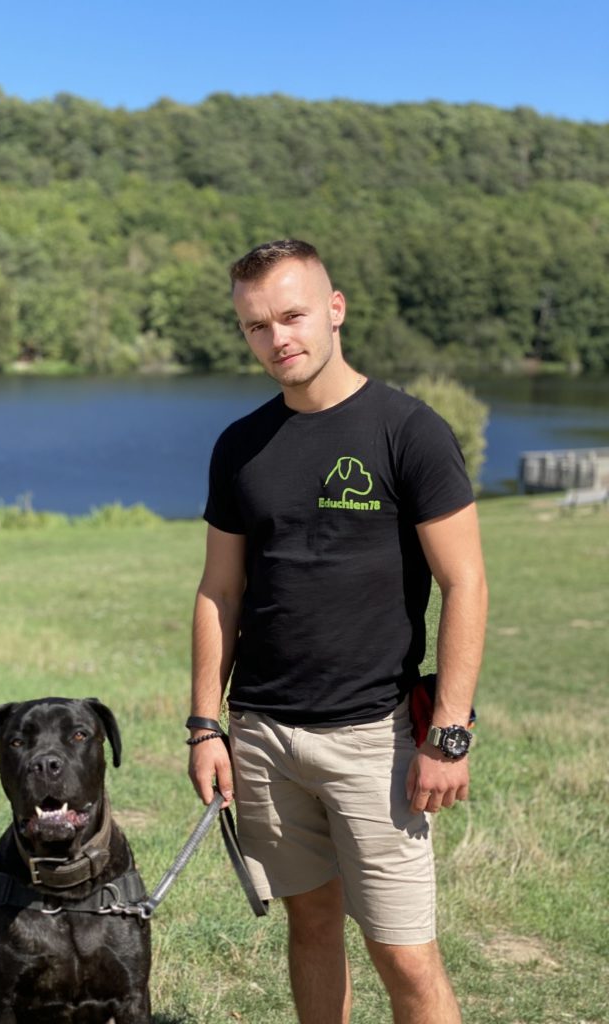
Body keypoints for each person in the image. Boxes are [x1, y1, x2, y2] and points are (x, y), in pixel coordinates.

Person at [187, 239, 488, 1024]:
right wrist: (205, 726)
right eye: (256, 326)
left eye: (291, 315)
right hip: (262, 737)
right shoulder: (240, 447)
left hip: (375, 740)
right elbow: (220, 591)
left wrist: (448, 733)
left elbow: (465, 583)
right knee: (310, 925)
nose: (278, 337)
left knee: (407, 958)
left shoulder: (409, 432)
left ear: (334, 308)